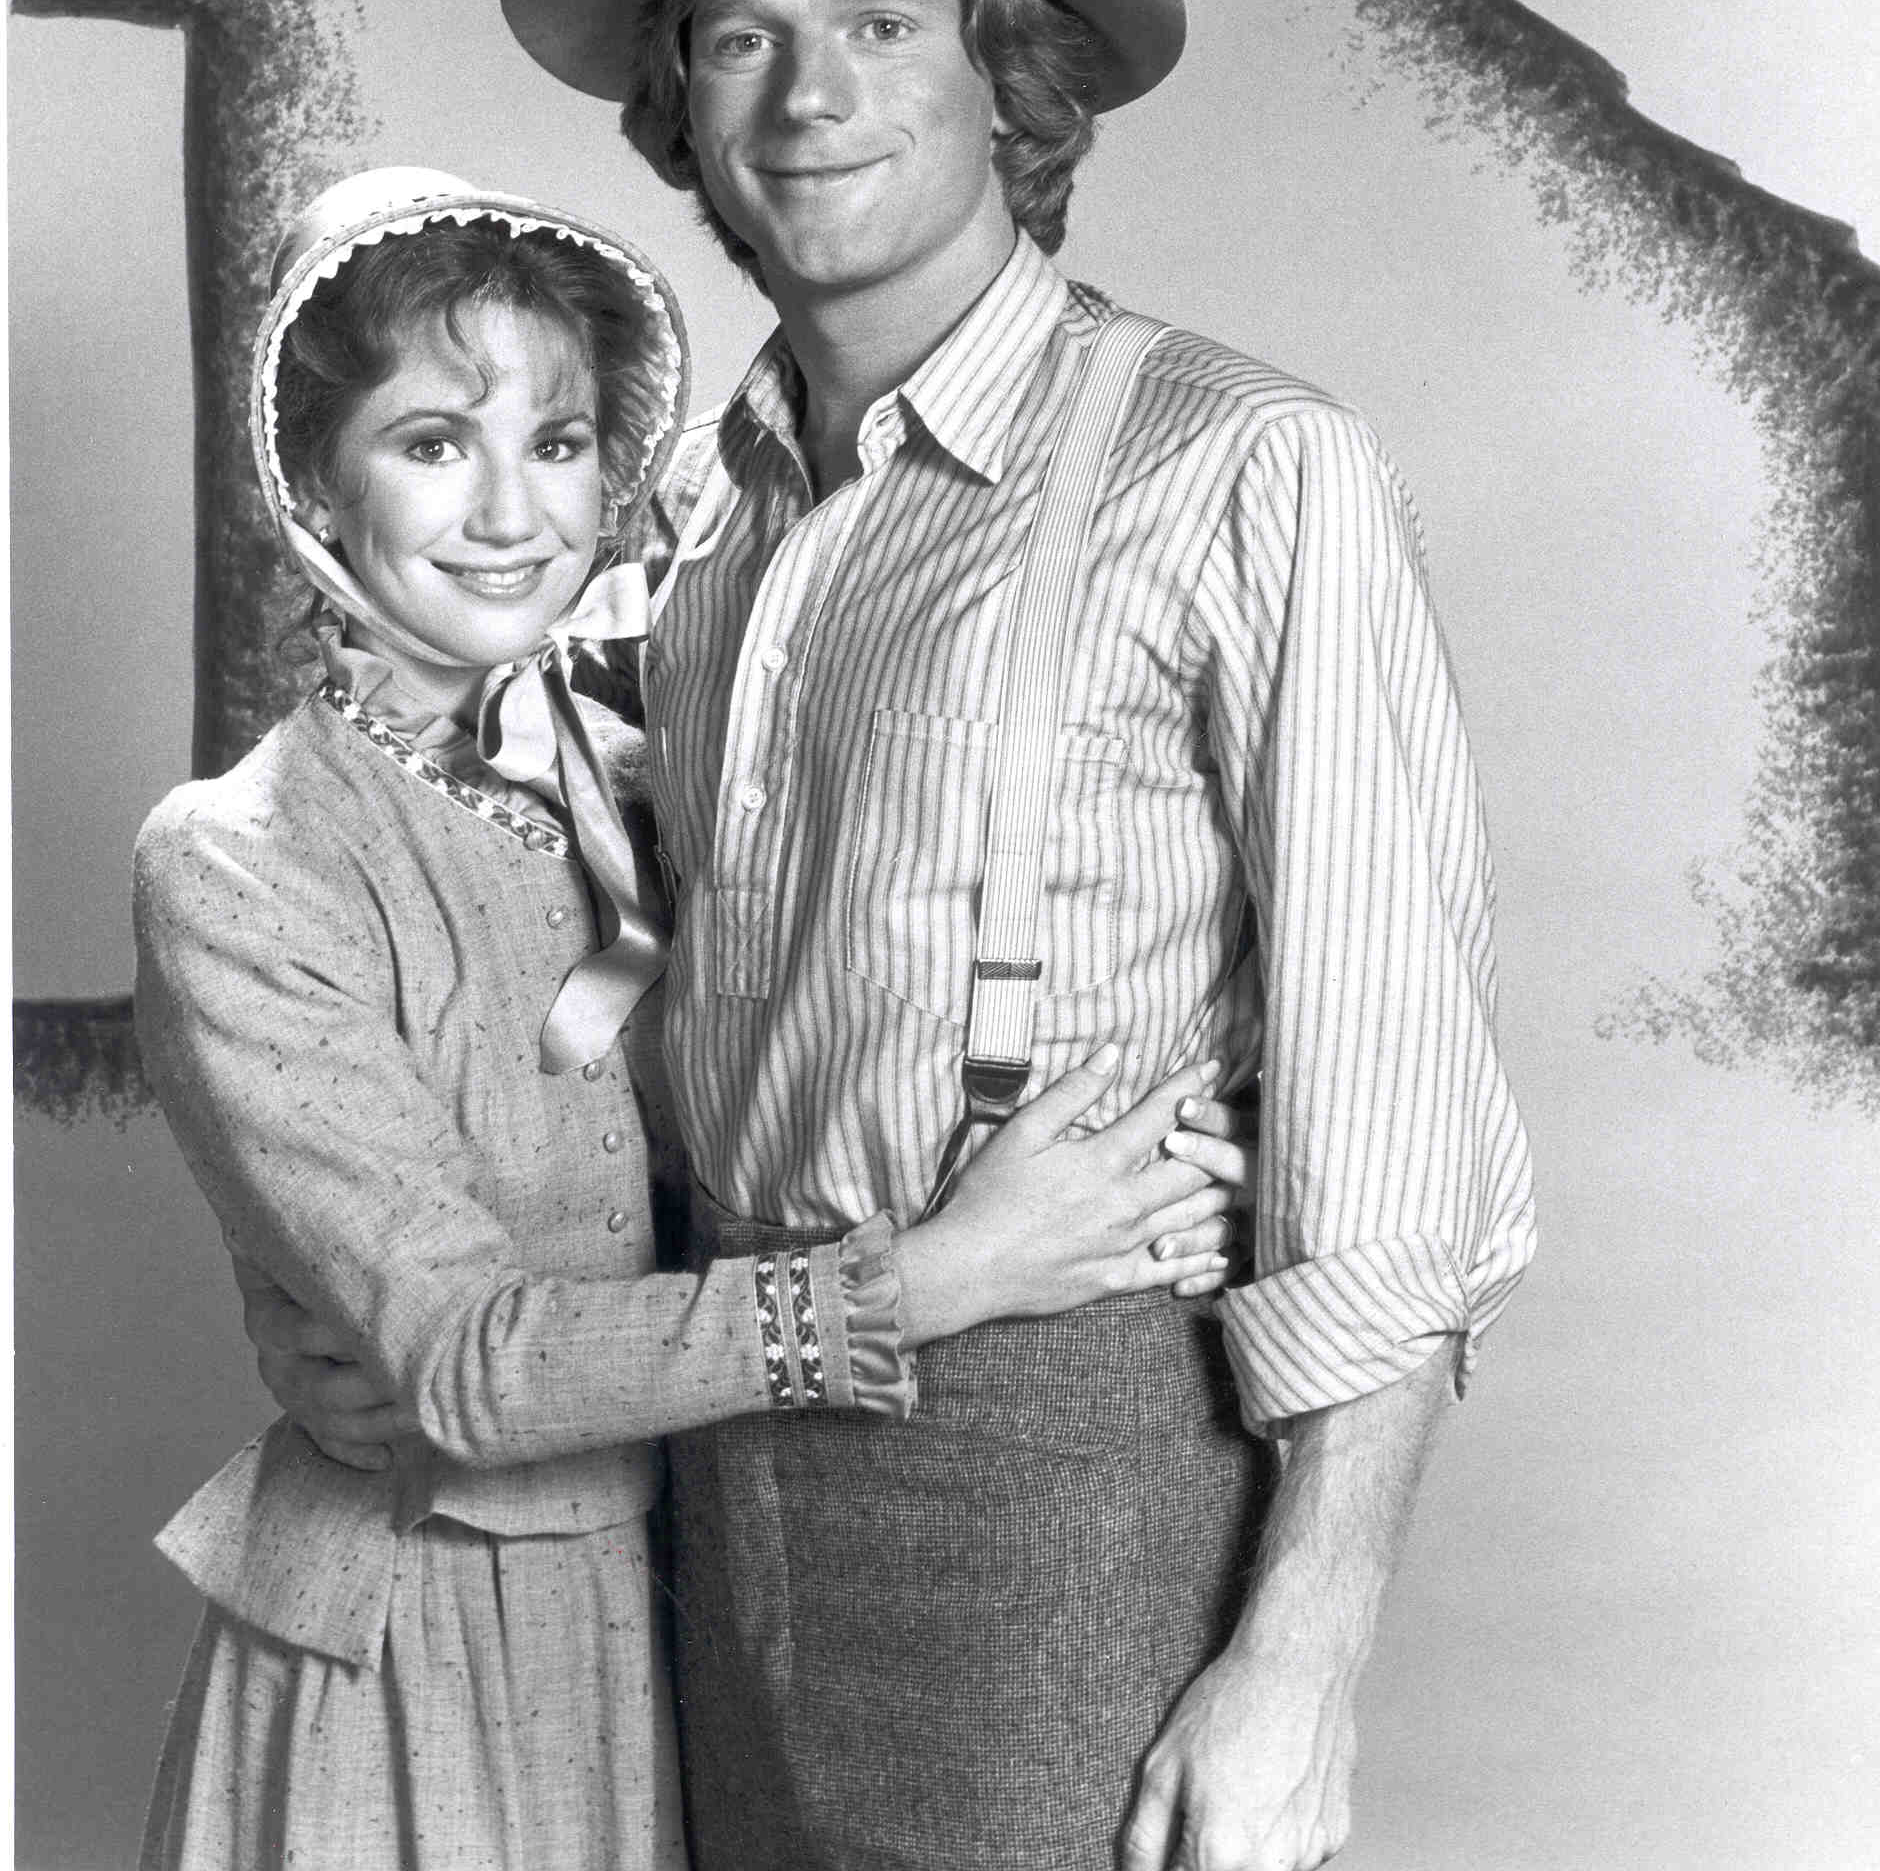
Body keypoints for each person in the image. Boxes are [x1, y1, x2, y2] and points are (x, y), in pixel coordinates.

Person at [281, 0, 1538, 1870]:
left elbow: (1393, 1131)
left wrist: (1299, 1654)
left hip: (1068, 1464)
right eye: (741, 35)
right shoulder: (664, 523)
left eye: (879, 18)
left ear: (1002, 73)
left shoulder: (1246, 468)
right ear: (677, 97)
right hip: (706, 1435)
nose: (808, 92)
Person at [135, 165, 1250, 1871]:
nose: (512, 511)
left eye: (560, 442)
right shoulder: (243, 859)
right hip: (410, 1646)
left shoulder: (650, 781)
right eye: (434, 443)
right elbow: (467, 1368)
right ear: (315, 483)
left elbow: (832, 1063)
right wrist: (956, 1272)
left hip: (681, 1613)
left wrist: (1198, 1137)